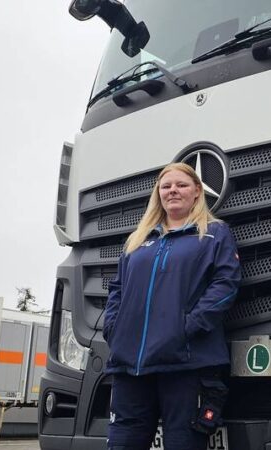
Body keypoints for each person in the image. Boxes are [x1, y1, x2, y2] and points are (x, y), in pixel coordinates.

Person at [103, 162, 241, 450]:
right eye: (166, 186)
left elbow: (225, 285)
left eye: (181, 185)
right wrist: (113, 329)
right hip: (131, 366)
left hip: (185, 362)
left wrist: (186, 328)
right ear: (158, 194)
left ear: (196, 192)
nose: (173, 191)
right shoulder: (137, 240)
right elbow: (117, 289)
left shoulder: (215, 233)